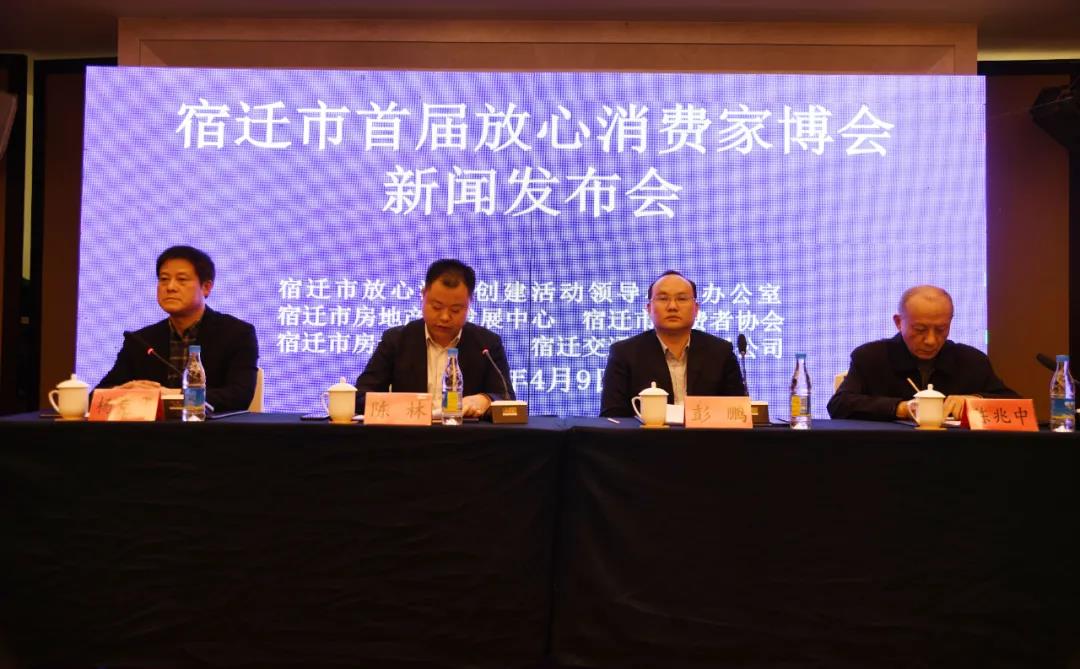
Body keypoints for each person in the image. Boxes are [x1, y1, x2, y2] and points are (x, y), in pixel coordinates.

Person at [96, 245, 259, 412]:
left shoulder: (237, 333)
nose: (170, 287)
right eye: (163, 279)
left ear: (206, 287)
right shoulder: (141, 341)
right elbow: (96, 396)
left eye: (182, 279)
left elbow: (240, 396)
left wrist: (172, 395)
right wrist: (124, 391)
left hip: (210, 427)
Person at [827, 285, 1017, 421]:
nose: (931, 340)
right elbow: (839, 405)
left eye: (941, 329)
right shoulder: (870, 357)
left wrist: (976, 401)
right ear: (898, 322)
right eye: (920, 330)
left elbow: (1016, 404)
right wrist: (901, 408)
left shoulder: (971, 360)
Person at [354, 259, 513, 417]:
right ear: (423, 295)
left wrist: (485, 400)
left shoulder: (487, 344)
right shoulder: (396, 340)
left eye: (455, 310)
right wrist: (403, 405)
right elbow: (361, 396)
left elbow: (507, 400)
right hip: (409, 432)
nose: (444, 317)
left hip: (464, 431)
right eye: (436, 307)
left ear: (470, 302)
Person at [600, 270, 747, 418]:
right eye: (663, 299)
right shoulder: (624, 353)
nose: (672, 306)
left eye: (682, 299)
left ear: (696, 308)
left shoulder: (720, 352)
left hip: (704, 433)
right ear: (649, 308)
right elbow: (612, 417)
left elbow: (738, 413)